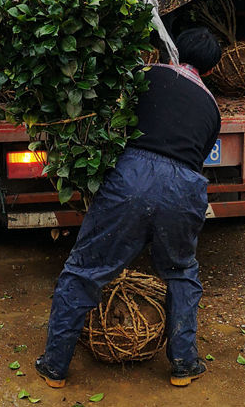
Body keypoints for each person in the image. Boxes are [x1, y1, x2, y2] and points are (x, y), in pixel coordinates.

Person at [35, 26, 222, 388]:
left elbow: (113, 118)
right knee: (181, 272)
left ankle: (54, 367)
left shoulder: (147, 74)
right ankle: (184, 364)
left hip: (133, 176)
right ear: (212, 70)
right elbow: (196, 156)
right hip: (185, 187)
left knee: (84, 271)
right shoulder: (212, 106)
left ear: (175, 51)